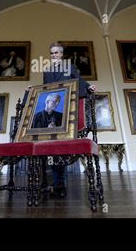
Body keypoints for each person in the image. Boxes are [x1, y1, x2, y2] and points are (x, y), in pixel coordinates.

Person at [40, 42, 96, 197]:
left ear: (62, 54)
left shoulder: (69, 66)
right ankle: (57, 183)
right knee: (52, 147)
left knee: (62, 147)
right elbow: (45, 89)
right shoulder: (47, 70)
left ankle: (60, 183)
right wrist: (32, 90)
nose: (54, 55)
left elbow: (78, 79)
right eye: (52, 53)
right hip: (54, 112)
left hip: (67, 110)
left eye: (57, 53)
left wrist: (89, 86)